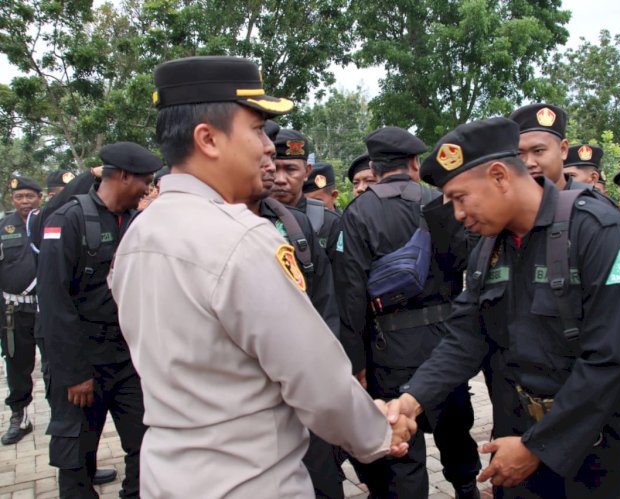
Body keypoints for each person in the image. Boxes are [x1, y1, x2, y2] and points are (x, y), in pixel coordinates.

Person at [109, 55, 414, 498]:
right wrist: (381, 435)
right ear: (208, 139)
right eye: (255, 130)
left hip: (168, 476)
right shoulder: (240, 238)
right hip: (249, 480)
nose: (269, 148)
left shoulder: (140, 235)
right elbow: (318, 382)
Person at [387, 117, 620, 498]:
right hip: (522, 442)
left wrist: (539, 446)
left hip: (603, 451)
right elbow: (466, 335)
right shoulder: (489, 246)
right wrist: (412, 399)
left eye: (459, 197)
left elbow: (610, 359)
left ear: (500, 176)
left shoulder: (596, 231)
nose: (457, 214)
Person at [335, 125, 481, 498]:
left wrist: (356, 363)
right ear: (415, 163)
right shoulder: (440, 200)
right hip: (444, 345)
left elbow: (350, 296)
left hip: (389, 349)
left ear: (374, 166)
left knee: (402, 449)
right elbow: (463, 261)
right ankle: (467, 490)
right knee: (454, 432)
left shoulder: (357, 213)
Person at [37, 141, 162, 498]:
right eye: (144, 181)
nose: (148, 189)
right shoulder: (70, 220)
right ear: (122, 176)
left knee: (146, 448)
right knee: (75, 460)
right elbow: (54, 303)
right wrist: (75, 374)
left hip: (126, 361)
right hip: (82, 364)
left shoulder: (135, 220)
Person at [252, 120, 345, 498]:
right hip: (247, 403)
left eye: (287, 166)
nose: (275, 175)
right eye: (269, 163)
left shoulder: (305, 225)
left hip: (306, 389)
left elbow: (333, 307)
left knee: (322, 477)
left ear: (307, 172)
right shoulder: (202, 224)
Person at [0, 176, 42, 445]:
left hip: (46, 308)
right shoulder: (4, 226)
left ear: (40, 197)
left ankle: (66, 415)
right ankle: (20, 415)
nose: (25, 201)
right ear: (12, 200)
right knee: (16, 363)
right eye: (19, 197)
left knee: (57, 364)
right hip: (13, 310)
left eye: (30, 196)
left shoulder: (51, 220)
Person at [272, 129, 342, 262]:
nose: (280, 179)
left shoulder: (329, 223)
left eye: (290, 169)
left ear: (306, 172)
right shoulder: (250, 216)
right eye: (274, 169)